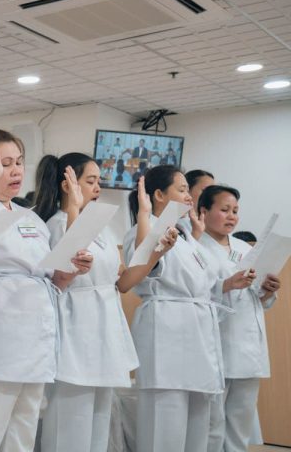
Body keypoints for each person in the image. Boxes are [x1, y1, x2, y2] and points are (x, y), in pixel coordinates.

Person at [0, 130, 92, 452]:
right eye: (4, 163)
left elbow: (54, 279)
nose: (16, 171)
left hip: (33, 345)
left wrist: (71, 268)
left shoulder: (31, 218)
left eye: (19, 162)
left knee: (20, 439)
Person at [35, 153, 162, 452]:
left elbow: (122, 283)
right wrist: (75, 209)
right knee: (70, 422)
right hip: (75, 327)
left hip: (105, 327)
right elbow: (70, 258)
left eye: (98, 181)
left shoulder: (102, 228)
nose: (97, 188)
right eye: (89, 181)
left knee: (98, 422)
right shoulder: (54, 225)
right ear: (68, 185)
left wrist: (155, 253)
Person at [123, 165, 253, 452]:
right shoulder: (142, 232)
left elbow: (203, 286)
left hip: (197, 338)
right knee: (164, 428)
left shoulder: (185, 235)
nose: (189, 197)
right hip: (167, 335)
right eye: (182, 190)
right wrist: (149, 223)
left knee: (198, 429)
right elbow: (140, 270)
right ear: (158, 195)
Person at [198, 185, 281, 452]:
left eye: (235, 211)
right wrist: (226, 285)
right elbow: (193, 294)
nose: (231, 216)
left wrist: (267, 291)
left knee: (241, 419)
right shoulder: (196, 248)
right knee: (212, 422)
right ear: (204, 211)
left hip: (248, 346)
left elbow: (257, 298)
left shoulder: (244, 247)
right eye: (224, 210)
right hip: (216, 343)